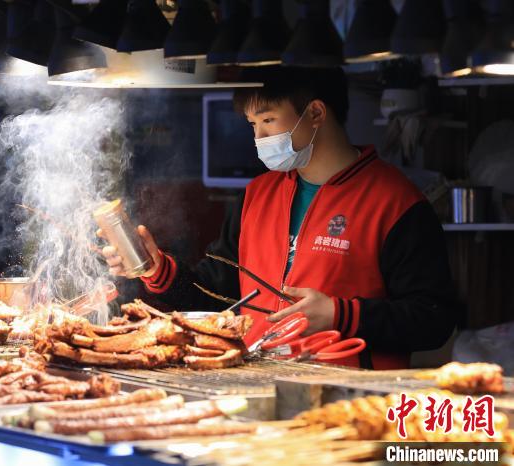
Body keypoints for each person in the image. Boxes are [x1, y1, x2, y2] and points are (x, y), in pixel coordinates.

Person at [100, 66, 458, 370]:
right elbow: (218, 297)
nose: (259, 137)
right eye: (252, 123)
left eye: (269, 120)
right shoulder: (256, 196)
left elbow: (434, 320)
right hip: (257, 385)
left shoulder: (395, 202)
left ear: (316, 113)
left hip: (348, 400)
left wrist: (341, 314)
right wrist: (157, 270)